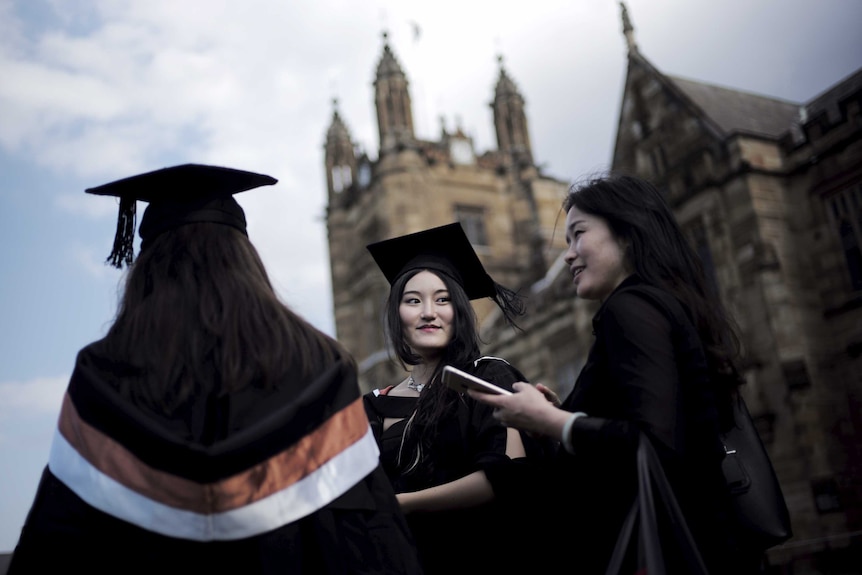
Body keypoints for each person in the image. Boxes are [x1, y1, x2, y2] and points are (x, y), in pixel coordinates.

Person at [8, 164, 423, 574]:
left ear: (147, 268)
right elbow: (368, 534)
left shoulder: (101, 374)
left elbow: (58, 535)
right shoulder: (319, 364)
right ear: (245, 260)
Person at [469, 173, 761, 574]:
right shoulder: (663, 303)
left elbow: (655, 446)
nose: (567, 253)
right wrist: (558, 417)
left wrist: (553, 421)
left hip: (664, 549)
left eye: (578, 234)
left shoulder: (631, 309)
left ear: (626, 232)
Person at [363, 222, 542, 575]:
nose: (428, 311)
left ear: (458, 310)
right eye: (413, 300)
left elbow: (506, 479)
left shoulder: (489, 377)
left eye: (442, 299)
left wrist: (401, 505)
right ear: (397, 315)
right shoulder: (373, 404)